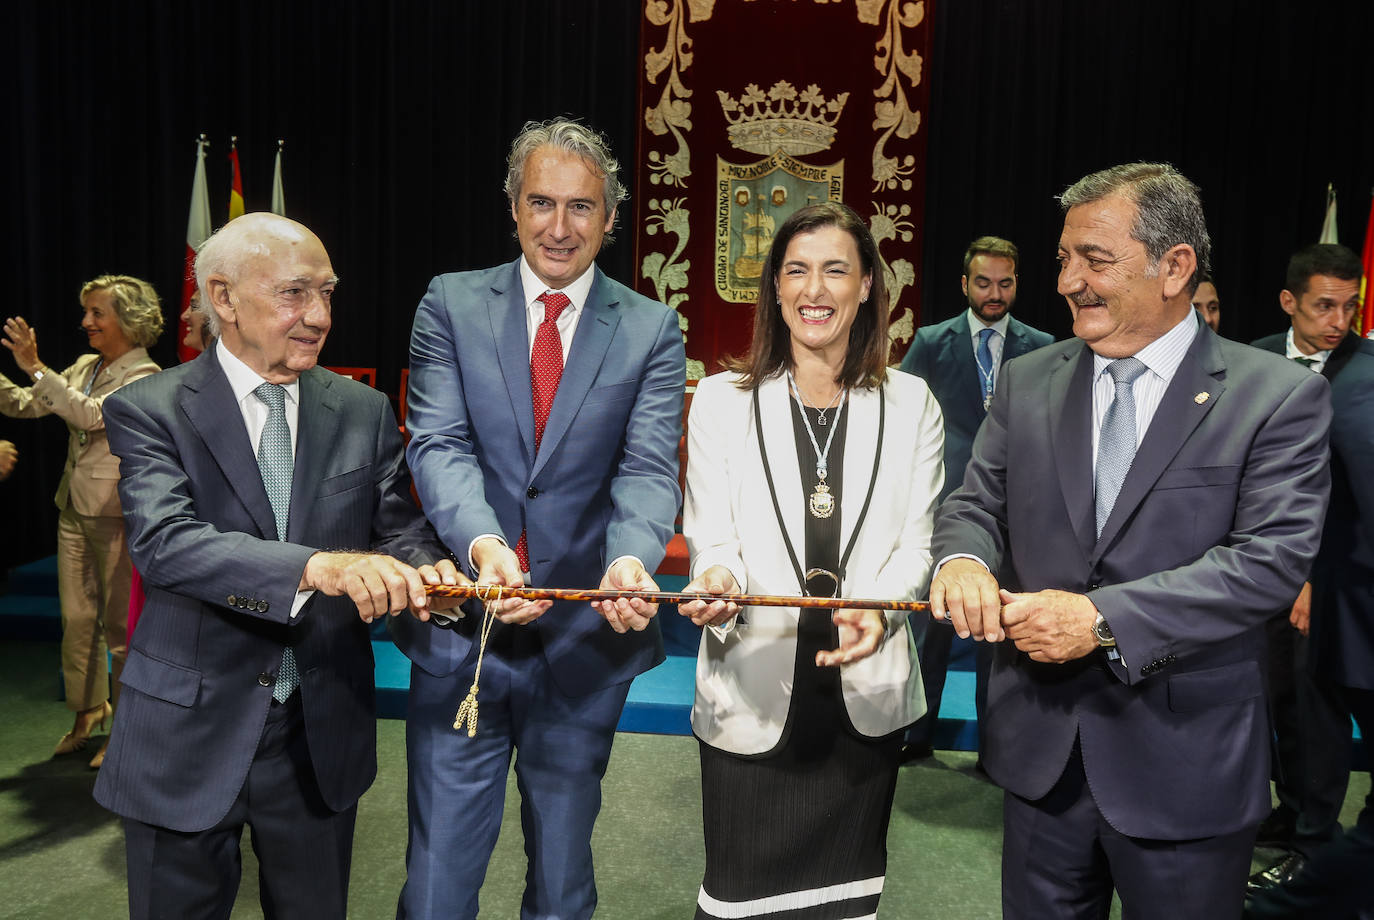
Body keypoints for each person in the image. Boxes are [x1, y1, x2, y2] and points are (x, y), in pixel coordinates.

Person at [929, 162, 1332, 918]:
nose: (1068, 280)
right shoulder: (1027, 381)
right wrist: (960, 561)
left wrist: (1099, 620)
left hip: (1185, 768)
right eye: (1063, 259)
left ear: (1175, 266)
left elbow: (1268, 563)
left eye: (1095, 260)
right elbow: (974, 503)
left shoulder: (1275, 397)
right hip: (1041, 761)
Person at [93, 213, 464, 920]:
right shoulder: (150, 408)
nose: (319, 316)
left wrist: (440, 580)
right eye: (296, 293)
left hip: (318, 737)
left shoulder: (361, 409)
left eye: (327, 293)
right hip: (185, 737)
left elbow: (396, 528)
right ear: (223, 297)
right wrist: (315, 568)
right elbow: (166, 542)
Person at [392, 117, 686, 919]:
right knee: (436, 887)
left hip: (581, 638)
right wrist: (486, 545)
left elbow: (649, 467)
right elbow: (440, 443)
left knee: (561, 887)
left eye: (582, 207)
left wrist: (631, 559)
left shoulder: (653, 329)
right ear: (514, 208)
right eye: (542, 203)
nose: (560, 228)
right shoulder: (449, 303)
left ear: (612, 216)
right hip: (465, 636)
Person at [678, 201, 943, 919]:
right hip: (753, 688)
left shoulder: (913, 402)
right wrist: (720, 580)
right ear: (774, 288)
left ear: (866, 288)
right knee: (737, 903)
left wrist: (877, 611)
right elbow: (713, 540)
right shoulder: (721, 402)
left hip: (864, 692)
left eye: (835, 270)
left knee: (845, 906)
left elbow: (916, 545)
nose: (814, 289)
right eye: (796, 270)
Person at [1244, 243, 1373, 916]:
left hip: (1327, 581)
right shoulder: (1253, 358)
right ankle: (1289, 812)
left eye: (1349, 306)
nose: (1339, 320)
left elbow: (1357, 500)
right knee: (1275, 702)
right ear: (1290, 302)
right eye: (1324, 305)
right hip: (1254, 568)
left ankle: (1317, 842)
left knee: (1319, 713)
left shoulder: (1369, 373)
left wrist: (1315, 577)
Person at [897, 234, 1052, 760]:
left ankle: (997, 750)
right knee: (930, 631)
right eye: (984, 282)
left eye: (1005, 283)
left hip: (1016, 511)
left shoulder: (1043, 346)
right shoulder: (931, 341)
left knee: (1001, 636)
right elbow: (903, 423)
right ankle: (914, 737)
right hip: (944, 506)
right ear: (965, 284)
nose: (995, 293)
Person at [0, 275, 163, 768]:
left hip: (116, 514)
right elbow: (31, 403)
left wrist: (34, 366)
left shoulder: (146, 374)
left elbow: (94, 416)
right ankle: (89, 709)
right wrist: (21, 378)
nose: (85, 322)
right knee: (75, 621)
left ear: (128, 320)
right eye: (87, 312)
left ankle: (127, 729)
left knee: (119, 628)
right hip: (73, 504)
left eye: (97, 313)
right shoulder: (86, 365)